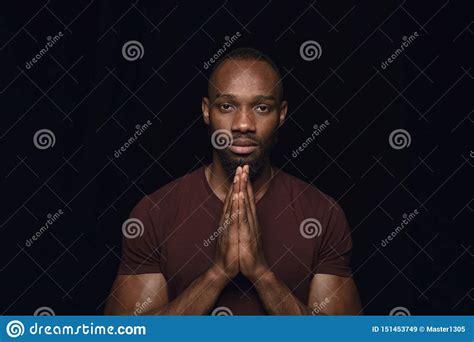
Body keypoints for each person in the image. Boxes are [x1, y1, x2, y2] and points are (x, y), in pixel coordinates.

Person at [105, 47, 362, 315]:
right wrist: (217, 274)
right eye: (227, 106)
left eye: (262, 107)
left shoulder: (322, 214)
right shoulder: (154, 213)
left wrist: (261, 274)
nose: (243, 124)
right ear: (207, 111)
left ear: (282, 114)